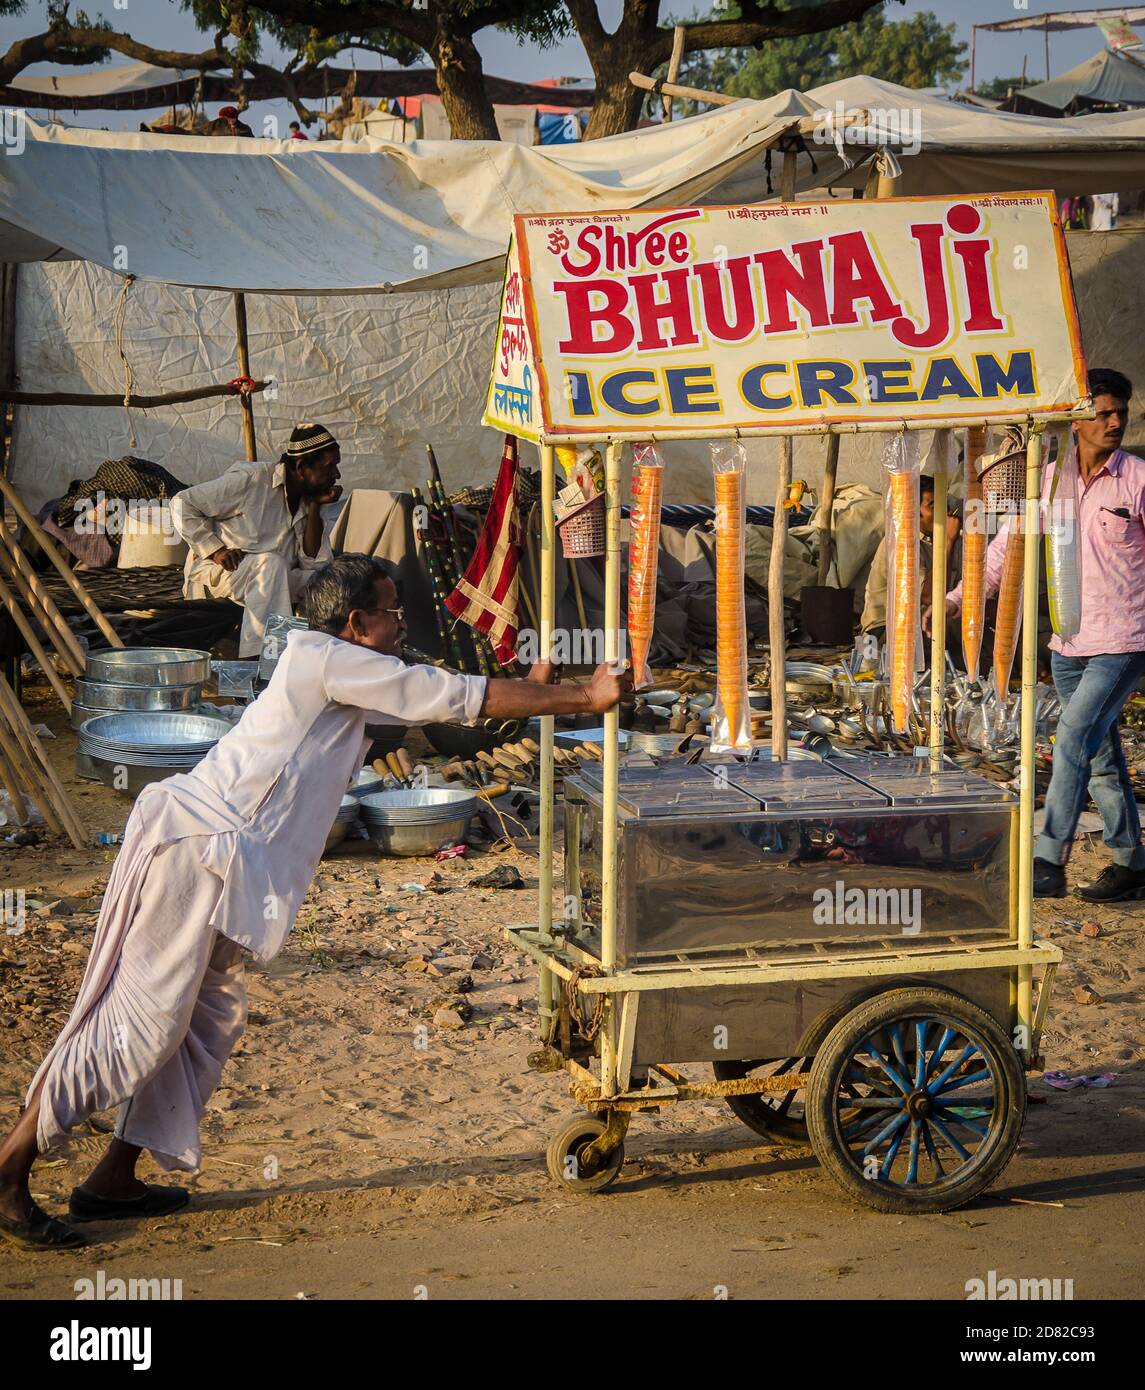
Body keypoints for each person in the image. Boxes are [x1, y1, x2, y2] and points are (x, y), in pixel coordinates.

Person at [0, 554, 630, 1250]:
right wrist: (584, 699)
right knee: (139, 1025)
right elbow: (447, 694)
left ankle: (113, 1178)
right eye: (391, 610)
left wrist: (533, 687)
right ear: (356, 622)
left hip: (223, 858)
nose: (400, 621)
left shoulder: (345, 668)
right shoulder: (324, 658)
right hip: (202, 848)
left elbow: (447, 702)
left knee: (200, 1026)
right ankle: (9, 1169)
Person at [930, 368, 1145, 901]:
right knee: (1098, 752)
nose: (1115, 422)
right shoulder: (1047, 481)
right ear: (1077, 419)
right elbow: (1004, 552)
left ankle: (1047, 858)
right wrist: (957, 599)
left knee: (1071, 738)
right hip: (1069, 644)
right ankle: (1131, 863)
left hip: (1124, 641)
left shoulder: (1137, 479)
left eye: (1122, 412)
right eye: (1103, 413)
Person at [172, 423, 343, 658]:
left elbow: (315, 565)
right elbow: (182, 504)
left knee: (330, 580)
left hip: (272, 578)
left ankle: (315, 658)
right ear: (302, 467)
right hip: (219, 574)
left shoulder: (310, 497)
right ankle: (258, 662)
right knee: (271, 565)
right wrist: (216, 550)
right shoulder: (252, 480)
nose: (336, 475)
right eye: (330, 466)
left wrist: (315, 507)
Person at [861, 474, 961, 639]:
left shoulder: (938, 539)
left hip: (921, 622)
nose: (946, 511)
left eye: (945, 504)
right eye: (934, 505)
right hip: (886, 629)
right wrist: (948, 542)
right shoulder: (903, 542)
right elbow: (929, 597)